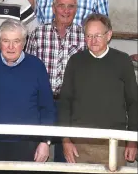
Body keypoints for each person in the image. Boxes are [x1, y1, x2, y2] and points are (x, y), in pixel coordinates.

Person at [0, 19, 55, 174]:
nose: (10, 47)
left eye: (16, 41)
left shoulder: (36, 66)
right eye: (6, 41)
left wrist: (45, 142)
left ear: (24, 43)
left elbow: (47, 107)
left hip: (29, 145)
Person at [58, 13, 137, 166]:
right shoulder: (75, 61)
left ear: (109, 35)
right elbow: (65, 103)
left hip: (114, 142)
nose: (93, 41)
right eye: (88, 36)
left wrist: (133, 141)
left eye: (97, 35)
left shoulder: (123, 61)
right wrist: (66, 140)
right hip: (80, 143)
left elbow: (134, 102)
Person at [26, 0, 86, 163]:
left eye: (71, 6)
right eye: (61, 6)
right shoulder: (38, 34)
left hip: (71, 105)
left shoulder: (83, 36)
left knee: (65, 157)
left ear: (76, 9)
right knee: (36, 154)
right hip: (42, 103)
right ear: (53, 8)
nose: (66, 11)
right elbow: (30, 71)